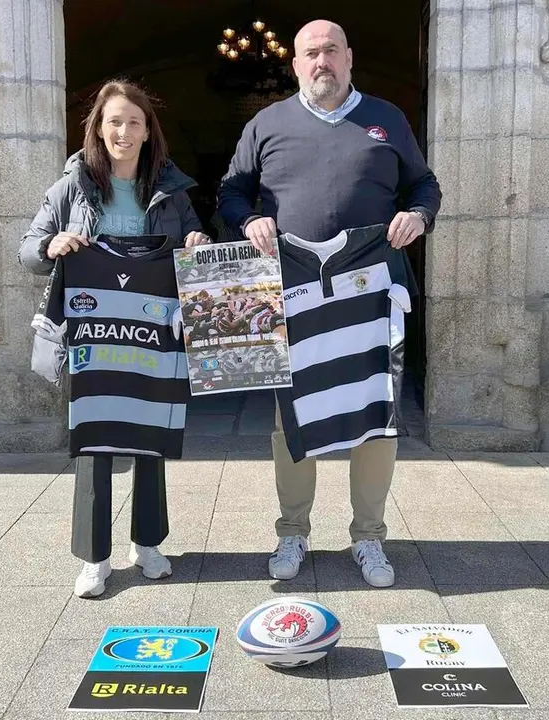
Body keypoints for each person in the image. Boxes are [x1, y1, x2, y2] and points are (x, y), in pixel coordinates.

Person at [217, 20, 442, 588]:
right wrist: (249, 218)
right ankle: (292, 531)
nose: (322, 62)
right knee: (291, 417)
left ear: (350, 59)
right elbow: (232, 190)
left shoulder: (386, 119)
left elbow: (425, 185)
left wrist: (418, 215)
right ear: (295, 64)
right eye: (311, 53)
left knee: (377, 417)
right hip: (290, 291)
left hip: (370, 288)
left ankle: (368, 537)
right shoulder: (265, 125)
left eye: (332, 52)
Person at [19, 79, 211, 599]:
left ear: (149, 131)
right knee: (95, 436)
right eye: (113, 122)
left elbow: (195, 242)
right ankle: (94, 557)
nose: (123, 131)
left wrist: (198, 240)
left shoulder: (172, 193)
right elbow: (29, 250)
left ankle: (147, 544)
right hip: (94, 329)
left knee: (151, 433)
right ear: (98, 130)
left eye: (133, 122)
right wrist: (52, 243)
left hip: (153, 329)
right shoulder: (70, 188)